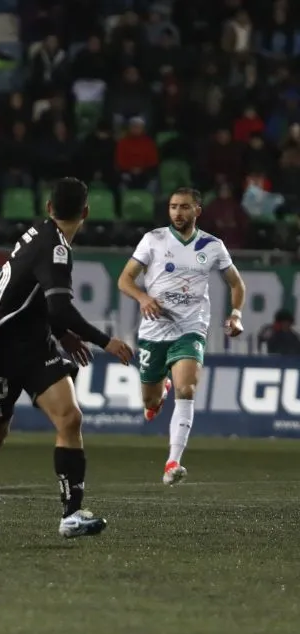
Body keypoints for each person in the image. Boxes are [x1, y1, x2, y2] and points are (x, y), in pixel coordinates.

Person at [0, 177, 134, 538]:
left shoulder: (39, 233)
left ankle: (71, 515)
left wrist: (59, 335)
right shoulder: (55, 248)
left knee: (70, 418)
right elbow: (59, 308)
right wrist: (105, 341)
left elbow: (34, 297)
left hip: (34, 346)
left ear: (48, 207)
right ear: (86, 213)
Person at [118, 187, 247, 485]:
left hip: (190, 329)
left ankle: (172, 462)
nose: (178, 212)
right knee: (150, 402)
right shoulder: (154, 239)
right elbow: (124, 279)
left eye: (184, 207)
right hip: (153, 331)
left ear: (197, 211)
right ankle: (159, 392)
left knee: (186, 389)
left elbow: (237, 284)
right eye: (173, 206)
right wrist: (142, 298)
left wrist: (236, 314)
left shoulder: (212, 246)